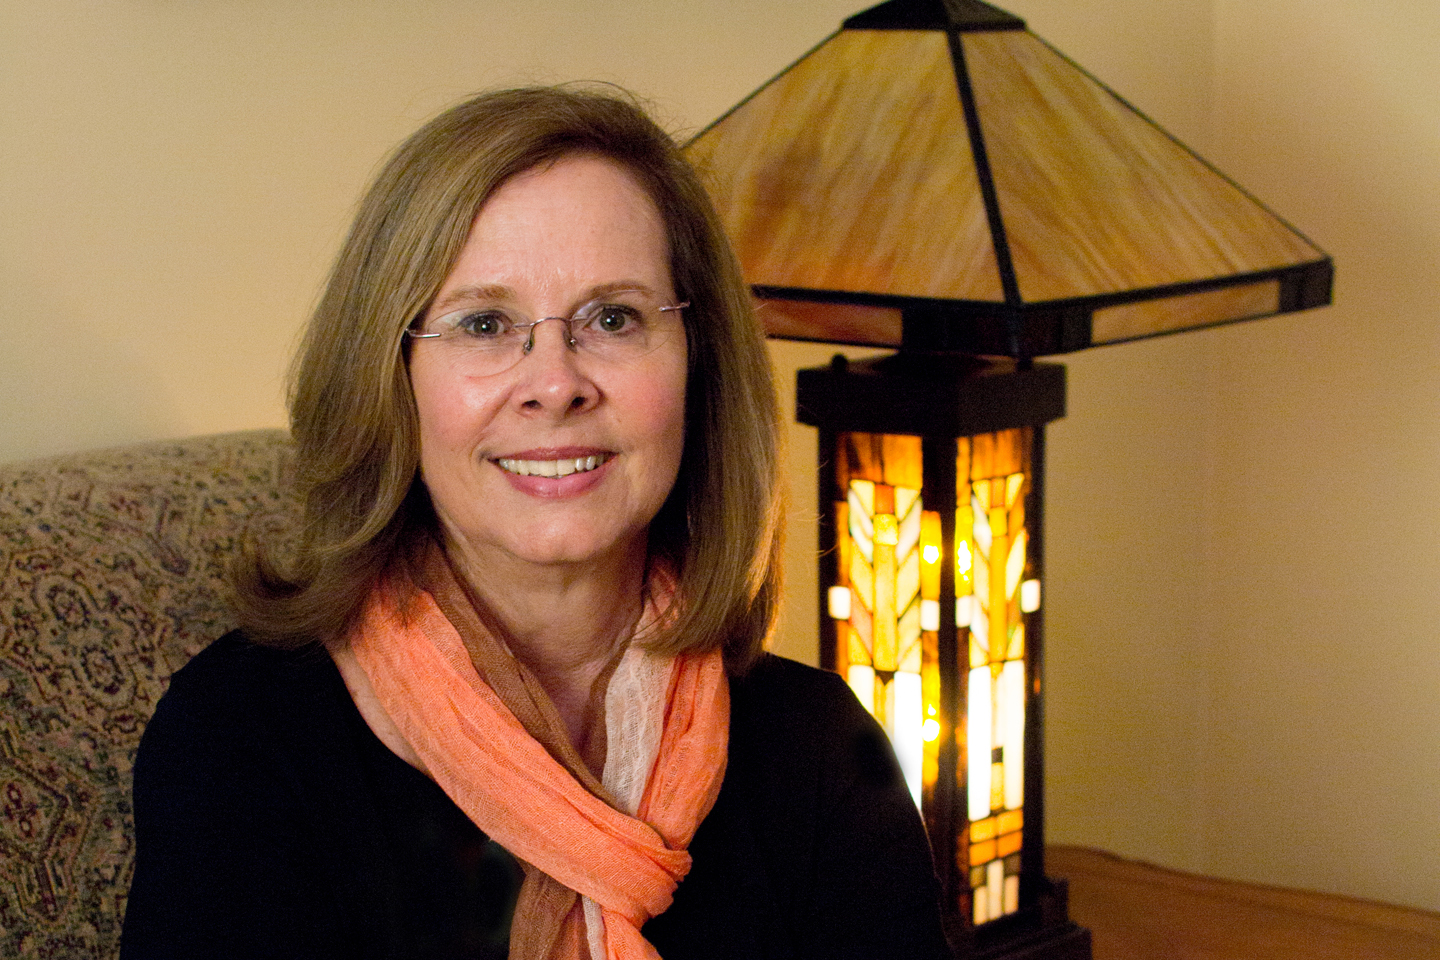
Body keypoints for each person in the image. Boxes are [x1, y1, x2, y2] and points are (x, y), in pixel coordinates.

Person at [120, 86, 952, 960]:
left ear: (698, 365)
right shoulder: (239, 740)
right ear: (389, 376)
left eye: (613, 318)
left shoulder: (819, 748)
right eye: (485, 323)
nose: (554, 384)